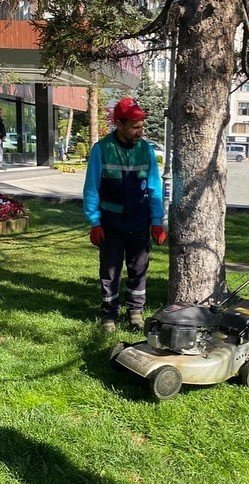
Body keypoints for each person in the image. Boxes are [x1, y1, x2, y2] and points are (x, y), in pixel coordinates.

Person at [82, 97, 165, 333]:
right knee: (110, 271)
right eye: (135, 127)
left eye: (142, 127)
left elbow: (154, 188)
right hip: (111, 222)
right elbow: (91, 188)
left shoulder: (146, 150)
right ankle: (109, 314)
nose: (140, 132)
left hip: (139, 220)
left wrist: (157, 222)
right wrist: (95, 222)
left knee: (139, 268)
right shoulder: (102, 149)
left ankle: (135, 312)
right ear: (119, 124)